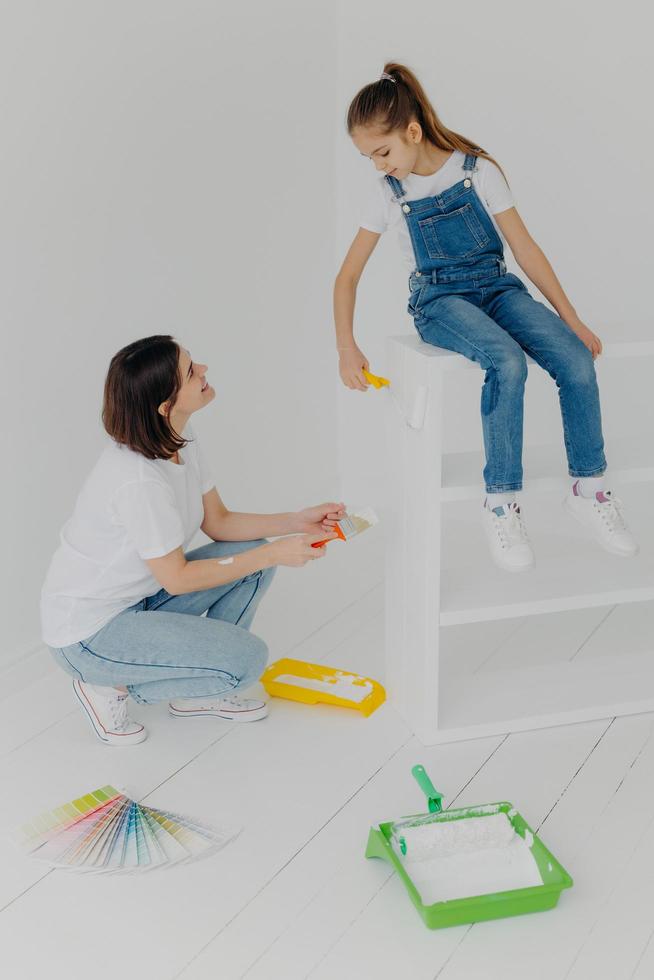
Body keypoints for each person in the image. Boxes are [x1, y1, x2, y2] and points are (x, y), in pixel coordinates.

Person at [334, 62, 638, 572]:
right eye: (368, 157)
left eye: (383, 152)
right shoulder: (388, 195)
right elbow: (346, 277)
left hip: (497, 289)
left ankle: (590, 488)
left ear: (412, 131)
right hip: (438, 301)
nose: (378, 166)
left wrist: (573, 319)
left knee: (573, 358)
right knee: (506, 361)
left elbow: (525, 249)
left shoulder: (477, 170)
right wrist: (347, 346)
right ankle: (501, 501)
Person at [40, 335, 343, 745]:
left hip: (141, 599)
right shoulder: (137, 480)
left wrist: (296, 522)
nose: (203, 370)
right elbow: (178, 580)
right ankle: (107, 686)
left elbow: (218, 522)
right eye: (190, 371)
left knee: (254, 554)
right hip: (91, 635)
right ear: (165, 405)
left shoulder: (180, 437)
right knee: (247, 660)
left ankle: (199, 691)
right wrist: (274, 551)